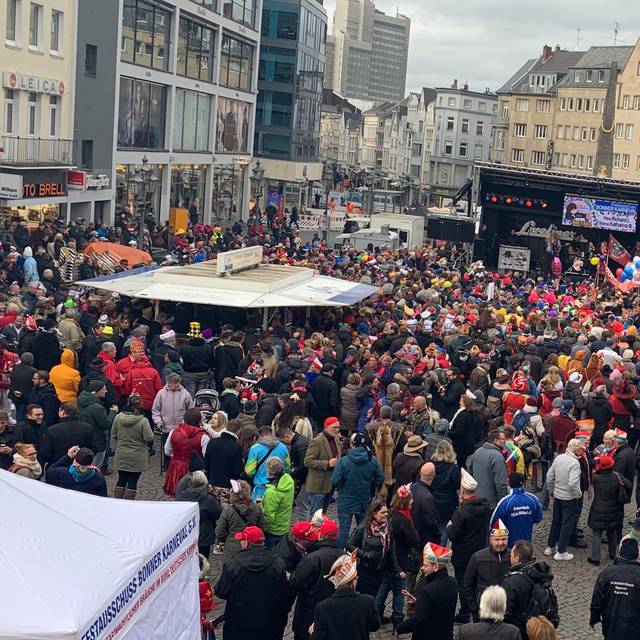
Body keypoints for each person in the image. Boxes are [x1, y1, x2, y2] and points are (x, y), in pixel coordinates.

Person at [213, 525, 289, 640]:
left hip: (238, 622)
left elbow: (221, 591)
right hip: (268, 621)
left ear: (247, 543)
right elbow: (283, 592)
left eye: (242, 540)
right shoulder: (278, 563)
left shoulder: (233, 564)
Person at [448, 468, 492, 624]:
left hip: (462, 555)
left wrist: (450, 526)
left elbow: (453, 535)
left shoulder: (460, 513)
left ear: (462, 492)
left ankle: (465, 612)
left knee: (463, 584)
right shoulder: (485, 506)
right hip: (479, 550)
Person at [290, 517, 343, 640]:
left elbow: (296, 583)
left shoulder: (312, 558)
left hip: (309, 613)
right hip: (334, 614)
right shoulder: (345, 558)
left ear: (320, 535)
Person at [310, 550, 381, 640]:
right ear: (354, 581)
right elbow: (374, 626)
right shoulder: (369, 601)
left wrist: (312, 632)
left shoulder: (322, 607)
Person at [376, 484, 420, 628]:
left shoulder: (390, 514)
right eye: (411, 499)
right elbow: (414, 539)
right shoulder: (403, 519)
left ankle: (375, 614)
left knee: (384, 587)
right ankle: (397, 621)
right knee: (400, 592)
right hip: (399, 561)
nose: (413, 501)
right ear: (405, 501)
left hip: (387, 559)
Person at [396, 542, 458, 640]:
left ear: (435, 567)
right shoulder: (453, 582)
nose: (422, 568)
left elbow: (419, 620)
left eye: (426, 565)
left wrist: (400, 628)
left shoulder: (428, 590)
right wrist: (419, 601)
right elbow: (438, 605)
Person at [332, 432, 384, 548]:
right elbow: (380, 477)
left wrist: (341, 487)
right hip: (364, 499)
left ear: (352, 443)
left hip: (346, 499)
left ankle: (342, 550)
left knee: (344, 528)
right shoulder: (372, 460)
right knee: (363, 527)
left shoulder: (344, 461)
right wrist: (371, 486)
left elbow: (335, 480)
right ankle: (360, 550)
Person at [502, 540, 557, 638]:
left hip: (520, 630)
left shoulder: (511, 581)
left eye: (511, 555)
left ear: (517, 558)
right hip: (537, 629)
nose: (510, 556)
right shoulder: (541, 574)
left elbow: (505, 611)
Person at [590, 536, 640, 640]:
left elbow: (597, 599)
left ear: (620, 553)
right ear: (637, 555)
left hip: (611, 625)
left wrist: (594, 618)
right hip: (635, 628)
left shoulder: (607, 573)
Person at [464, 519, 511, 623]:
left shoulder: (512, 557)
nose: (500, 543)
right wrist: (474, 609)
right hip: (483, 611)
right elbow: (468, 584)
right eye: (497, 539)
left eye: (503, 539)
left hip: (506, 611)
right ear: (491, 539)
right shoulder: (477, 557)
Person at [544, 438, 583, 561]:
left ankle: (550, 546)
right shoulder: (575, 463)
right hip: (569, 498)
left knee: (556, 522)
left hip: (558, 496)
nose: (582, 451)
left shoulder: (559, 458)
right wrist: (578, 494)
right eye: (580, 449)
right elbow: (573, 483)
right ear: (575, 449)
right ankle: (561, 551)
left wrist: (551, 490)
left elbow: (549, 476)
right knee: (567, 524)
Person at [587, 454, 631, 565]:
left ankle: (595, 558)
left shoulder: (596, 478)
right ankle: (612, 555)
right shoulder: (617, 476)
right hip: (613, 509)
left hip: (598, 508)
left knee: (597, 533)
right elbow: (629, 485)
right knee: (612, 531)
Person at [110, 394, 155, 499]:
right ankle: (129, 502)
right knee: (133, 481)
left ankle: (118, 501)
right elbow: (149, 438)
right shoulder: (143, 421)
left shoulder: (118, 417)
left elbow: (113, 434)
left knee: (121, 479)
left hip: (121, 453)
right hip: (137, 456)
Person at [215, 479, 265, 562]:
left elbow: (219, 532)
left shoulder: (228, 511)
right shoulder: (257, 508)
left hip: (232, 549)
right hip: (252, 547)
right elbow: (262, 527)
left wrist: (226, 539)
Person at [176, 470, 223, 559]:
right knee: (202, 561)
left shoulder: (182, 495)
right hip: (203, 536)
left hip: (186, 535)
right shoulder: (208, 499)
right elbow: (219, 513)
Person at [163, 408, 210, 496]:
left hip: (176, 467)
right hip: (195, 471)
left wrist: (177, 456)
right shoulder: (204, 436)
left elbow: (167, 451)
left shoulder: (174, 432)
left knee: (177, 494)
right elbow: (206, 456)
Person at [151, 372, 194, 463]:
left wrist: (186, 423)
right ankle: (166, 465)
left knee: (180, 449)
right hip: (166, 427)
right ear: (168, 383)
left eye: (176, 383)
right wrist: (158, 421)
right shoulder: (161, 393)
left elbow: (190, 410)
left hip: (181, 429)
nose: (174, 385)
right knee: (166, 450)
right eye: (172, 383)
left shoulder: (185, 394)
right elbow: (156, 410)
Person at [491, 472, 543, 545]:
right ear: (523, 484)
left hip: (509, 544)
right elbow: (538, 518)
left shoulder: (505, 502)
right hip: (526, 543)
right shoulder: (533, 499)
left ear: (509, 483)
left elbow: (495, 523)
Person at [304, 416, 342, 517]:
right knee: (315, 515)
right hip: (318, 485)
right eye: (334, 427)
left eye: (338, 427)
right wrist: (327, 464)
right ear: (326, 427)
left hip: (330, 484)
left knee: (322, 515)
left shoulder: (336, 440)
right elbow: (308, 461)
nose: (337, 430)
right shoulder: (317, 441)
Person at [77, 380, 118, 470]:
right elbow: (106, 424)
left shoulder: (81, 402)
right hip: (97, 440)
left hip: (84, 438)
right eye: (103, 389)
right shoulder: (97, 408)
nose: (106, 391)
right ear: (96, 391)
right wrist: (113, 412)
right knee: (94, 467)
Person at [204, 415, 243, 504]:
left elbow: (206, 464)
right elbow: (237, 471)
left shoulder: (212, 442)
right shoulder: (236, 447)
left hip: (212, 484)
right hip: (227, 487)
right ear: (239, 430)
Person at [244, 425, 291, 499]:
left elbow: (249, 471)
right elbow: (287, 467)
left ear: (260, 435)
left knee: (260, 506)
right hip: (279, 486)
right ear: (272, 434)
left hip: (261, 488)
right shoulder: (283, 447)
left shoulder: (255, 448)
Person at [430, 439, 461, 544]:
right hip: (448, 502)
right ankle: (440, 548)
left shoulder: (431, 465)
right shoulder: (452, 468)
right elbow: (457, 485)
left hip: (432, 499)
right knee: (444, 527)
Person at [469, 429, 509, 510]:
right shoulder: (497, 457)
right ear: (495, 440)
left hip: (477, 500)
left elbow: (470, 472)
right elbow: (501, 483)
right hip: (492, 503)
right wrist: (504, 503)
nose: (505, 441)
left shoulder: (477, 452)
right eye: (503, 439)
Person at [261, 456, 295, 548]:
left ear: (269, 470)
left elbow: (268, 516)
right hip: (284, 526)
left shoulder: (272, 492)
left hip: (272, 530)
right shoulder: (288, 481)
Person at [411, 461, 441, 549]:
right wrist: (438, 535)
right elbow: (431, 522)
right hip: (425, 539)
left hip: (414, 533)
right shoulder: (427, 497)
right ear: (434, 475)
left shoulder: (413, 487)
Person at [9, 351, 35, 422]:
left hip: (14, 392)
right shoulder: (32, 371)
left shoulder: (15, 368)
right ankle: (20, 426)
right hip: (25, 395)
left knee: (18, 410)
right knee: (22, 412)